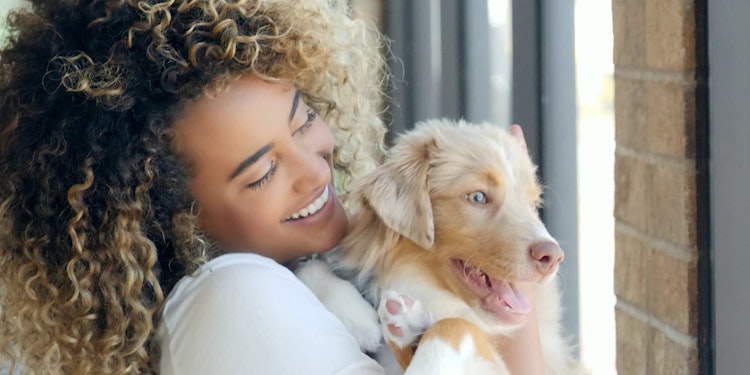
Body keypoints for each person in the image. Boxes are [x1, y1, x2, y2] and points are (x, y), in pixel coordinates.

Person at [0, 0, 545, 374]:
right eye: (262, 172)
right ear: (176, 220)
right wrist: (510, 289)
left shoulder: (325, 280)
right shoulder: (235, 298)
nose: (314, 171)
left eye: (303, 119)